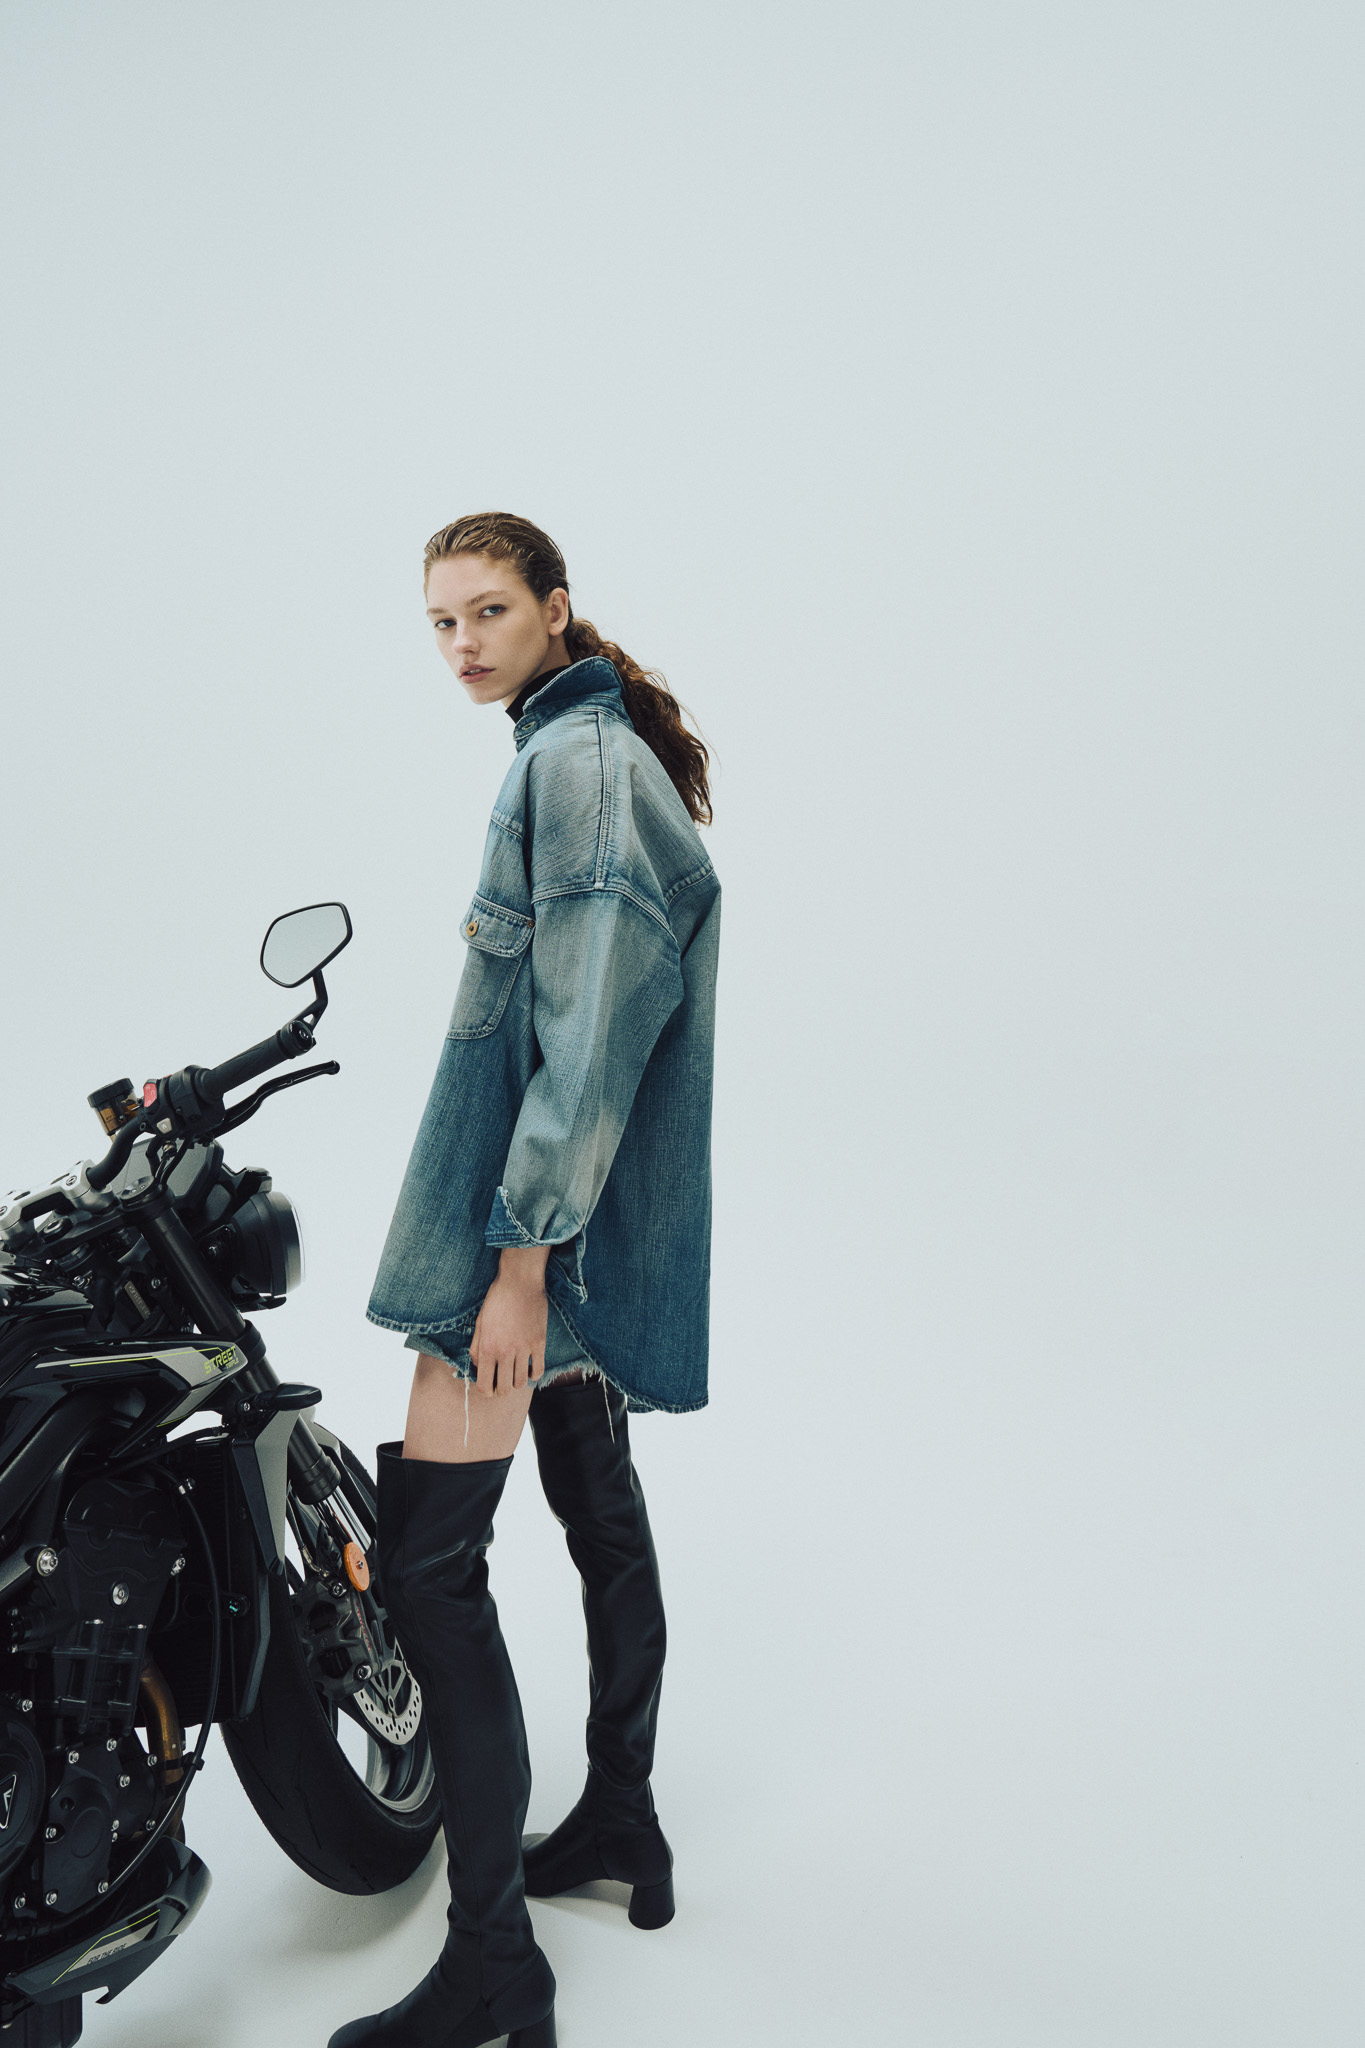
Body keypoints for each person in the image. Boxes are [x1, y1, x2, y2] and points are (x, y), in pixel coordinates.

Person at [329, 513, 720, 2048]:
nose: (461, 644)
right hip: (570, 1234)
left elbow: (583, 1053)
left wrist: (517, 1267)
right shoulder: (581, 752)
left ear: (557, 607)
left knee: (428, 1572)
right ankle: (619, 1817)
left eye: (488, 610)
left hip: (533, 1240)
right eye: (439, 621)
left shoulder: (580, 771)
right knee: (595, 1500)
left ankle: (493, 1963)